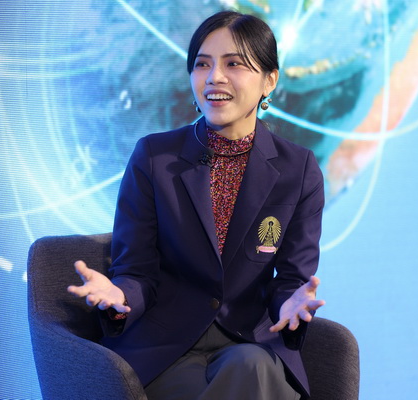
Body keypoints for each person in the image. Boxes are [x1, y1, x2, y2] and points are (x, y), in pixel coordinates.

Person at [68, 10, 325, 400]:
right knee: (252, 382)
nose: (214, 77)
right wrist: (120, 297)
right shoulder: (155, 158)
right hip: (167, 349)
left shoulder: (298, 169)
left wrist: (291, 304)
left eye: (234, 64)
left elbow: (291, 279)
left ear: (269, 80)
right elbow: (136, 271)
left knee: (251, 366)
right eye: (202, 64)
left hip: (250, 340)